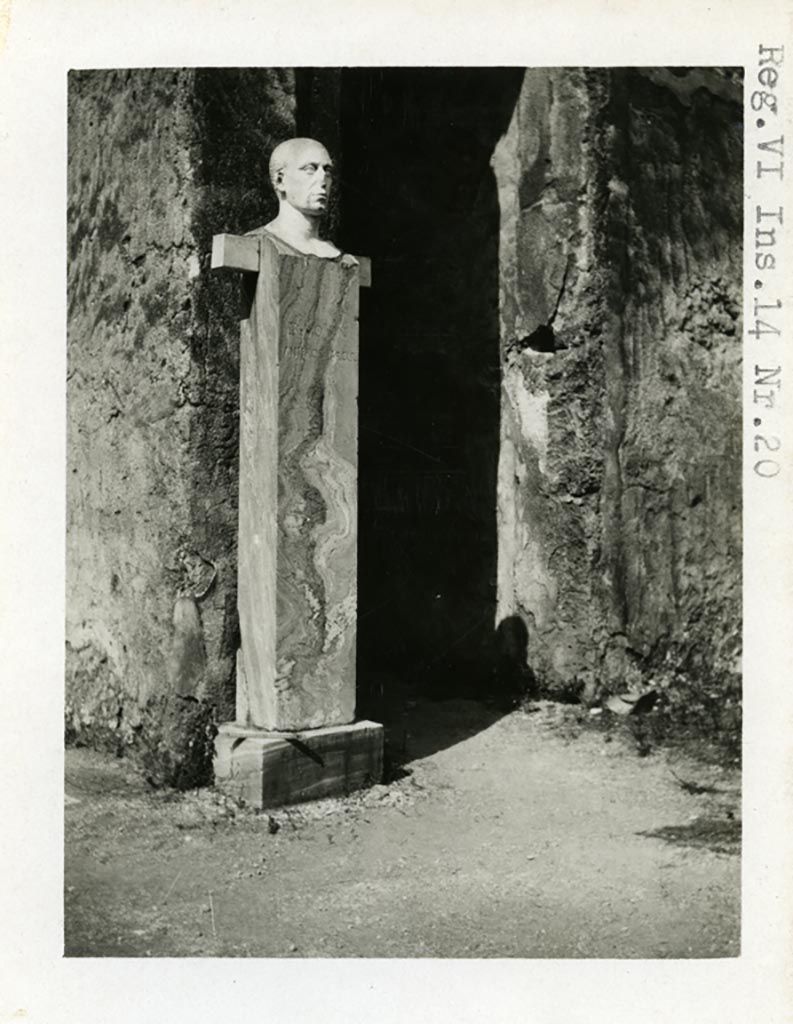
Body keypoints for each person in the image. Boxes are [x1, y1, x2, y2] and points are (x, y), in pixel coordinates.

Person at [252, 137, 342, 259]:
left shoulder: (340, 257)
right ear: (280, 180)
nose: (323, 179)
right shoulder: (253, 245)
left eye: (327, 171)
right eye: (310, 169)